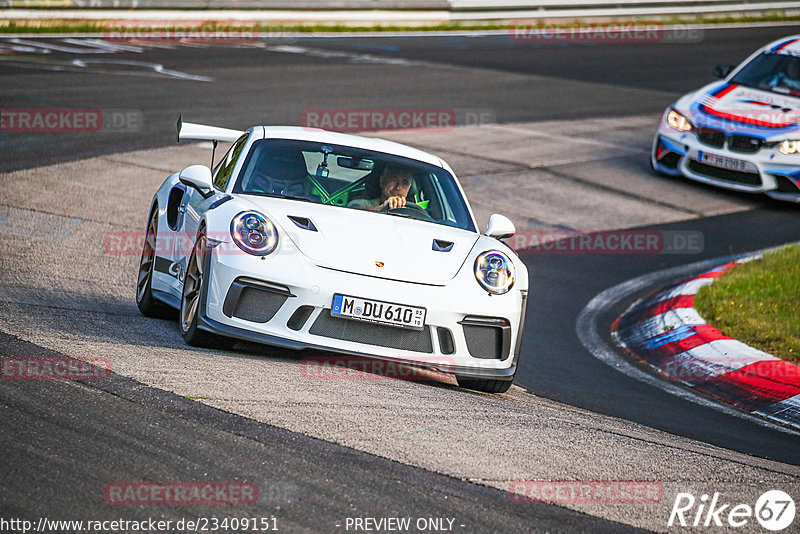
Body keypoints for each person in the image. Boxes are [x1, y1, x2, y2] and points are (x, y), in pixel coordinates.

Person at [348, 164, 415, 211]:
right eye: (394, 179)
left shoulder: (416, 211)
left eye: (405, 183)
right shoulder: (362, 204)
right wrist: (383, 207)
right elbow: (352, 212)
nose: (398, 187)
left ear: (409, 187)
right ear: (382, 180)